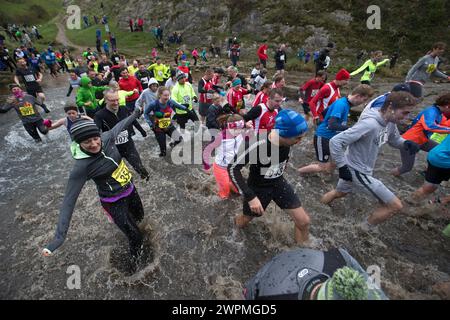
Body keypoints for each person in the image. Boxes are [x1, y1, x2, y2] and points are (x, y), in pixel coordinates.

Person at [42, 107, 147, 267]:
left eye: (95, 138)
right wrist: (59, 237)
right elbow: (68, 202)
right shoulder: (81, 168)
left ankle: (131, 233)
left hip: (130, 190)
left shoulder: (106, 137)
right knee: (135, 237)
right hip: (113, 201)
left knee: (140, 218)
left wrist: (136, 113)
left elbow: (122, 124)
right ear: (79, 143)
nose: (94, 144)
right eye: (87, 142)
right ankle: (135, 266)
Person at [321, 92, 419, 231]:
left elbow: (394, 140)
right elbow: (336, 141)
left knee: (339, 193)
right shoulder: (370, 124)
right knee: (395, 205)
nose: (406, 118)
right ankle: (361, 231)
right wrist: (342, 167)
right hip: (357, 171)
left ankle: (319, 209)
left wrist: (406, 143)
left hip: (360, 168)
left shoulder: (389, 122)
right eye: (404, 113)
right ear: (390, 107)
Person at [229, 109, 310, 244]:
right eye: (298, 138)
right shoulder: (257, 144)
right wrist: (250, 197)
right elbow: (232, 168)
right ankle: (231, 231)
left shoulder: (288, 141)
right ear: (284, 134)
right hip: (258, 188)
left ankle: (303, 254)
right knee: (244, 221)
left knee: (304, 222)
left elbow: (282, 159)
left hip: (278, 184)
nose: (300, 141)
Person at [244, 247, 387, 300]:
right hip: (261, 285)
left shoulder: (340, 258)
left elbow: (347, 257)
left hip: (304, 258)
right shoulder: (273, 295)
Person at [298, 85, 375, 175]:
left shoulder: (345, 103)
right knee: (321, 167)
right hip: (323, 137)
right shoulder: (341, 104)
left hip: (332, 138)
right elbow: (332, 125)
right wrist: (353, 129)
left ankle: (327, 180)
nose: (363, 103)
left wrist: (323, 121)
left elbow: (324, 112)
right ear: (358, 96)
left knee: (335, 163)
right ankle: (298, 172)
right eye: (364, 100)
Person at [95, 89, 149, 180]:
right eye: (112, 100)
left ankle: (144, 176)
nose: (116, 103)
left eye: (117, 99)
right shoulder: (99, 115)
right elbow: (96, 133)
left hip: (128, 145)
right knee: (117, 173)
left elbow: (132, 120)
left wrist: (142, 130)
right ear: (105, 100)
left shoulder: (124, 108)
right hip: (113, 149)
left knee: (139, 165)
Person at [392, 93, 450, 177]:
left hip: (423, 140)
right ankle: (390, 175)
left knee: (439, 151)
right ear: (447, 106)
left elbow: (445, 125)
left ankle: (428, 172)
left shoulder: (439, 113)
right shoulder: (431, 111)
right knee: (407, 168)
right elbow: (429, 126)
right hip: (410, 142)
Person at [144, 86, 191, 156]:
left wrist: (186, 109)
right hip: (158, 128)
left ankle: (172, 144)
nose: (167, 97)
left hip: (169, 126)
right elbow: (146, 113)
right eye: (165, 95)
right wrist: (150, 124)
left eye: (168, 95)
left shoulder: (170, 102)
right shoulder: (154, 104)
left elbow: (178, 106)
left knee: (179, 140)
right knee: (163, 153)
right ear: (160, 95)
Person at [212, 114, 248, 198]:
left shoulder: (241, 133)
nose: (238, 131)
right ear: (229, 127)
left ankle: (232, 186)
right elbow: (208, 148)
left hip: (232, 167)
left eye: (240, 129)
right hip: (220, 167)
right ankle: (222, 204)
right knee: (225, 192)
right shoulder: (221, 136)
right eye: (235, 129)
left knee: (240, 191)